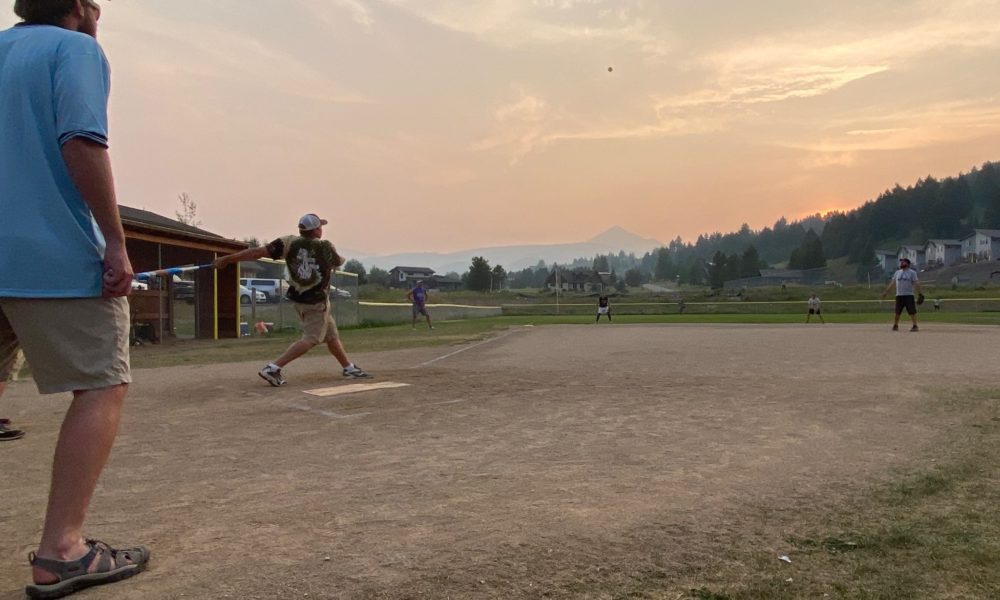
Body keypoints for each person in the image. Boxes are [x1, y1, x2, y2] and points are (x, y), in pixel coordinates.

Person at [1, 1, 151, 596]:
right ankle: (63, 549)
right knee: (101, 384)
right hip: (51, 254)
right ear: (80, 8)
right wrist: (115, 241)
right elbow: (81, 142)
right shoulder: (74, 50)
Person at [213, 214, 370, 385]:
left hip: (300, 299)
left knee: (331, 335)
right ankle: (273, 368)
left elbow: (257, 252)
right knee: (311, 338)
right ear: (316, 230)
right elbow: (337, 261)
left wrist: (227, 259)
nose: (321, 229)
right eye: (320, 227)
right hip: (316, 302)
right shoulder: (325, 246)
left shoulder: (288, 242)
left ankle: (348, 367)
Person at [881, 257, 924, 332]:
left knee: (912, 311)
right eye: (901, 262)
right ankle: (895, 325)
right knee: (897, 311)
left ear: (907, 264)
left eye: (903, 262)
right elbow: (892, 283)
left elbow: (916, 283)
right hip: (899, 295)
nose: (901, 263)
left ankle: (915, 325)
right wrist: (886, 292)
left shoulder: (912, 272)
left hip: (909, 295)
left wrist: (920, 293)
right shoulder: (897, 272)